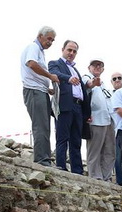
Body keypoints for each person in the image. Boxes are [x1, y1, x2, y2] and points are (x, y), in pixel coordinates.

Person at [48, 40, 90, 174]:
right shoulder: (55, 63)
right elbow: (54, 74)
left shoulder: (75, 69)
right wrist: (68, 78)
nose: (71, 53)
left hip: (78, 107)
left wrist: (86, 112)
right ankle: (61, 166)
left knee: (76, 140)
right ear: (63, 49)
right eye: (69, 50)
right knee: (62, 138)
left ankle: (77, 170)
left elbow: (83, 91)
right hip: (64, 105)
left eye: (74, 51)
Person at [21, 26, 60, 167]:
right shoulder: (33, 47)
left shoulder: (40, 51)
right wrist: (50, 76)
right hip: (33, 90)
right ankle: (42, 160)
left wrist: (47, 88)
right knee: (41, 126)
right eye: (48, 38)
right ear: (40, 36)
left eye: (53, 40)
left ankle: (45, 159)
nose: (50, 42)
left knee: (45, 125)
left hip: (40, 90)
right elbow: (31, 64)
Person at [82, 58, 115, 181]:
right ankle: (95, 177)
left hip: (108, 120)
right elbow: (87, 84)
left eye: (100, 65)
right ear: (89, 67)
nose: (97, 67)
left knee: (109, 151)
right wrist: (92, 83)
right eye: (94, 65)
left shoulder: (104, 84)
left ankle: (106, 176)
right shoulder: (85, 77)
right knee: (94, 151)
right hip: (95, 120)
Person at [110, 72, 122, 185]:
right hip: (114, 130)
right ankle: (121, 181)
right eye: (114, 79)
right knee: (117, 157)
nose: (117, 80)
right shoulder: (108, 94)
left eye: (119, 78)